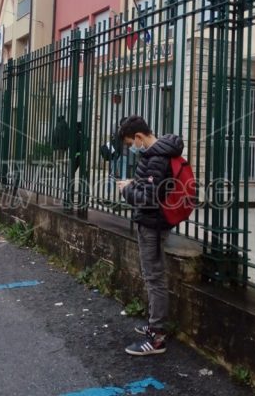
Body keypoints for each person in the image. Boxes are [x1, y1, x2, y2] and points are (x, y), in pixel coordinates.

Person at [116, 115, 185, 356]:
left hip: (152, 225)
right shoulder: (160, 153)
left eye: (130, 143)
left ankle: (157, 338)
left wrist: (126, 190)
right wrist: (135, 184)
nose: (131, 147)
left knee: (154, 277)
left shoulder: (155, 157)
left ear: (138, 137)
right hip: (155, 223)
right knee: (152, 275)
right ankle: (155, 324)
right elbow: (151, 188)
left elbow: (147, 198)